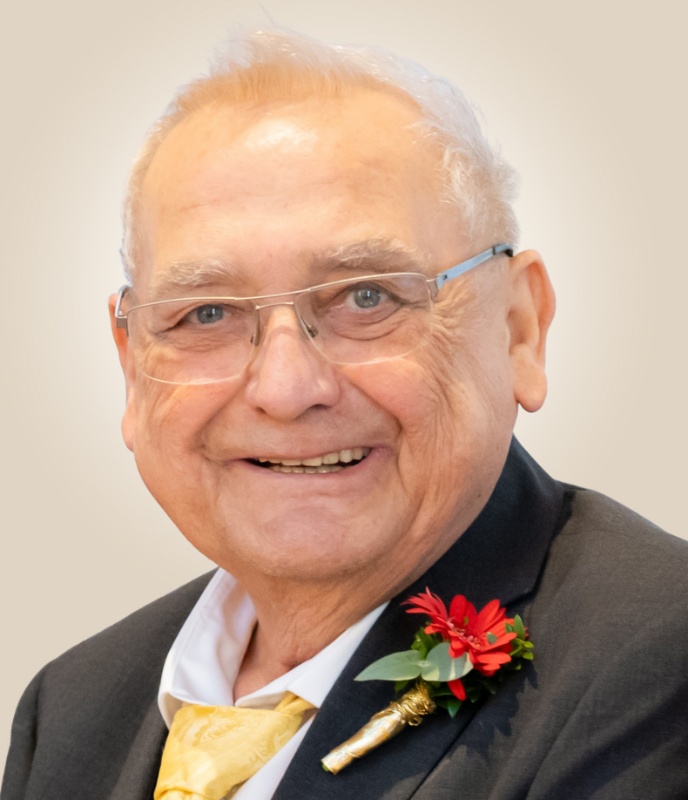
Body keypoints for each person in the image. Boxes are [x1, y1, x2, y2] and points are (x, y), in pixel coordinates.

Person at [3, 28, 687, 800]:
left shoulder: (659, 664)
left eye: (368, 297)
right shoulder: (70, 711)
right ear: (133, 368)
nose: (286, 388)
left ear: (518, 330)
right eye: (207, 313)